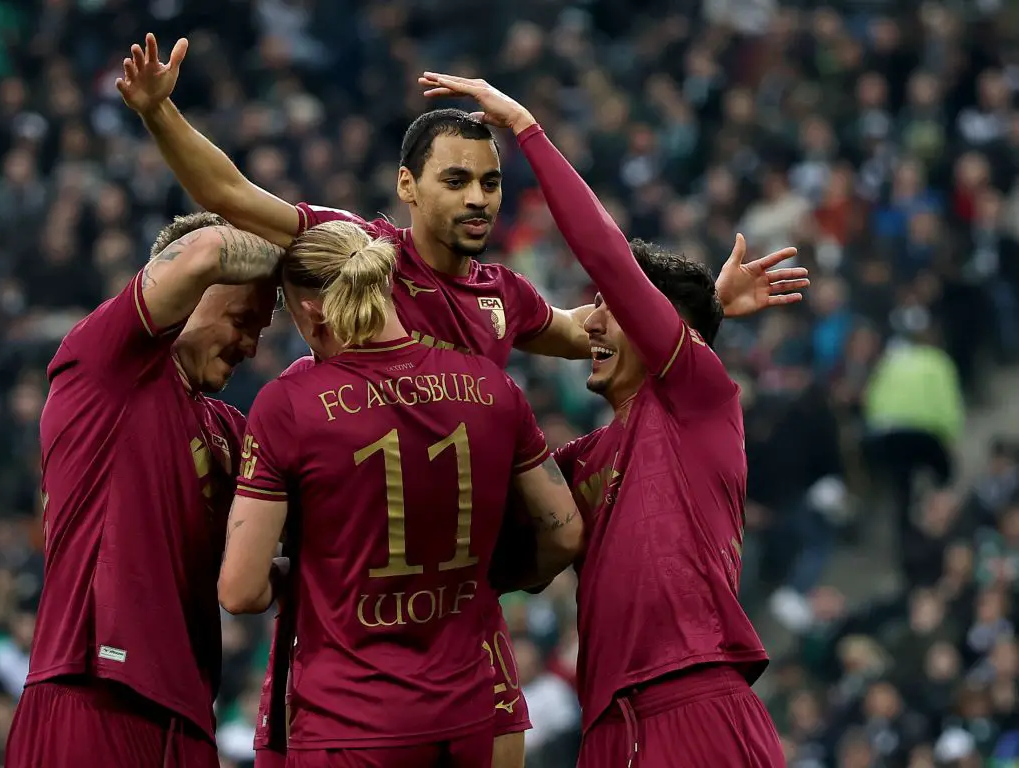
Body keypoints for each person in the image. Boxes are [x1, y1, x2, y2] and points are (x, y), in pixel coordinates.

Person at [115, 33, 805, 768]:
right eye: (456, 180)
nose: (478, 197)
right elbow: (228, 195)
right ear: (407, 186)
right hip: (355, 597)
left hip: (456, 627)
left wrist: (697, 321)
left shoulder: (503, 296)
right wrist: (161, 114)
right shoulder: (363, 254)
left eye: (490, 182)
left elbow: (601, 331)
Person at [418, 72, 785, 766]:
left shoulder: (703, 402)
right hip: (608, 728)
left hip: (696, 700)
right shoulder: (582, 462)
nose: (591, 323)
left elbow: (614, 265)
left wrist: (528, 130)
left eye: (609, 310)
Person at [216, 220, 583, 767]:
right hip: (470, 711)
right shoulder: (492, 384)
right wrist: (498, 577)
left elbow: (240, 592)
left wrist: (307, 573)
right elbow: (565, 530)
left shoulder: (289, 404)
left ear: (312, 310)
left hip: (348, 719)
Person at [4, 213, 283, 767]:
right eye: (242, 318)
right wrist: (307, 259)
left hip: (186, 713)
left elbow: (276, 553)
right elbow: (205, 247)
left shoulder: (227, 429)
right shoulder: (107, 364)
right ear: (194, 295)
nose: (251, 345)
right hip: (92, 693)